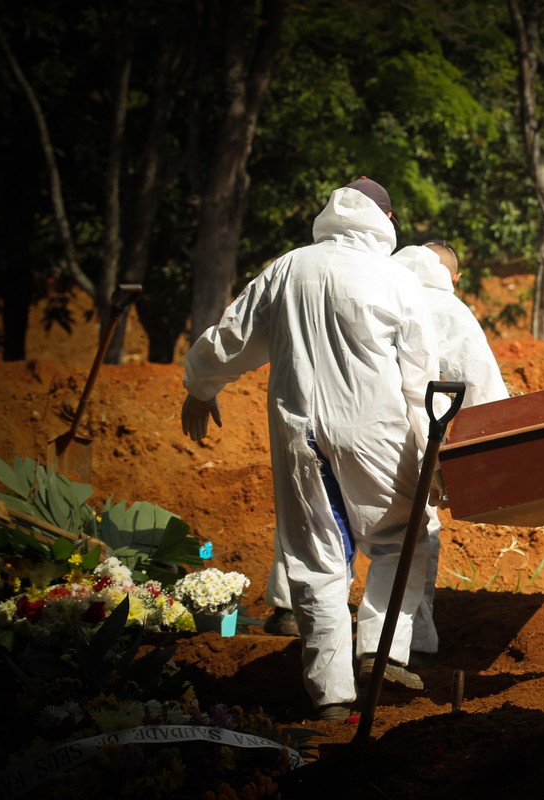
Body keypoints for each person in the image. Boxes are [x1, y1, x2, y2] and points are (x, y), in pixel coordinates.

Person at [181, 177, 441, 721]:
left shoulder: (287, 268)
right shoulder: (396, 280)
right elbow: (420, 380)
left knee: (315, 558)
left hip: (299, 434)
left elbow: (232, 337)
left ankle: (330, 697)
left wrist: (201, 386)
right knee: (404, 538)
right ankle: (381, 651)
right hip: (378, 433)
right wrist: (432, 453)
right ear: (387, 223)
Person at [392, 239, 510, 658]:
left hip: (349, 432)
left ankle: (288, 609)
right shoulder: (449, 309)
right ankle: (407, 644)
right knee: (415, 534)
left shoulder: (374, 290)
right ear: (452, 278)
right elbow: (482, 389)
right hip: (415, 437)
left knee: (330, 533)